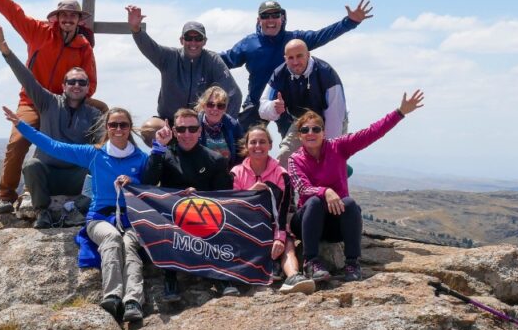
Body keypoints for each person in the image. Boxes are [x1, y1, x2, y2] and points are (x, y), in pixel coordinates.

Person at [2, 105, 149, 324]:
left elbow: (151, 186)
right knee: (111, 238)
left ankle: (133, 301)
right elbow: (54, 146)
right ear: (107, 128)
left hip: (131, 217)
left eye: (123, 125)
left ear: (130, 128)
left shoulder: (141, 158)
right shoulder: (94, 154)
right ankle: (112, 295)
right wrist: (21, 125)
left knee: (129, 245)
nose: (118, 129)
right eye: (113, 125)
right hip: (99, 217)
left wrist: (133, 182)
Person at [0, 0, 101, 215]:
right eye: (63, 15)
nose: (68, 19)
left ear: (79, 20)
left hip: (64, 104)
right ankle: (6, 195)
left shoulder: (83, 46)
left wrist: (74, 105)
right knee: (19, 140)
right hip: (33, 101)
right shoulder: (38, 31)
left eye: (73, 16)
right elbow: (10, 10)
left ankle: (95, 184)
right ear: (56, 17)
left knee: (104, 117)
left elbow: (91, 80)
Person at [289, 91, 425, 283]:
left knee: (350, 204)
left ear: (323, 132)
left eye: (316, 129)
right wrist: (325, 191)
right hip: (307, 223)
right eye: (305, 130)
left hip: (335, 225)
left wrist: (400, 113)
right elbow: (302, 188)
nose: (310, 133)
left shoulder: (339, 147)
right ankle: (311, 261)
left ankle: (352, 262)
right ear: (299, 135)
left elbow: (371, 133)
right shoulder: (296, 159)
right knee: (313, 202)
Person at [0, 26, 101, 228]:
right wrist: (6, 53)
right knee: (31, 166)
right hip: (47, 175)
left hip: (76, 177)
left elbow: (102, 147)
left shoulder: (95, 115)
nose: (76, 85)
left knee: (101, 164)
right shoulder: (48, 102)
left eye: (82, 82)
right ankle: (42, 211)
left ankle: (78, 209)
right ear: (64, 85)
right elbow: (27, 79)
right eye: (72, 81)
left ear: (88, 87)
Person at [221, 0, 373, 130]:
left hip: (291, 107)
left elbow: (322, 35)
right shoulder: (249, 44)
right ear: (258, 20)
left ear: (283, 18)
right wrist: (198, 52)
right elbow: (225, 60)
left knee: (296, 151)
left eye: (275, 15)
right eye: (265, 16)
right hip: (257, 102)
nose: (271, 20)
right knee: (241, 146)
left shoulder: (295, 40)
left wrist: (350, 22)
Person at [144, 108, 235, 301]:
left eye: (192, 129)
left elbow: (224, 197)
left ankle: (221, 277)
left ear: (200, 131)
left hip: (205, 214)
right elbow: (148, 183)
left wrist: (199, 197)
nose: (187, 134)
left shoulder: (215, 159)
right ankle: (170, 278)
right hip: (173, 216)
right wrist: (158, 147)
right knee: (163, 223)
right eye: (182, 129)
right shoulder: (164, 155)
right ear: (174, 131)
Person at [231, 125, 315, 295]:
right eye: (253, 142)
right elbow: (232, 209)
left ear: (270, 145)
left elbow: (283, 212)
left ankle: (293, 277)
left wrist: (279, 237)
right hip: (244, 229)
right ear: (246, 146)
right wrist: (251, 194)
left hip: (272, 227)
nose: (257, 146)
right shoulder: (236, 173)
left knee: (287, 244)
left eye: (262, 142)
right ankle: (268, 267)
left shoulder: (281, 174)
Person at [126, 6, 242, 121]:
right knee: (150, 128)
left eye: (198, 38)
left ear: (204, 41)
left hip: (198, 125)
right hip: (168, 121)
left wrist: (226, 124)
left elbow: (234, 94)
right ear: (181, 40)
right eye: (188, 37)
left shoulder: (213, 60)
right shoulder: (168, 57)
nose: (193, 42)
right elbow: (149, 47)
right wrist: (136, 28)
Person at [258, 39, 347, 163]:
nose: (295, 62)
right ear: (285, 58)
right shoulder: (279, 74)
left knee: (328, 160)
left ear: (308, 54)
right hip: (301, 121)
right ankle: (283, 182)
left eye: (299, 56)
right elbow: (263, 108)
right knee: (285, 157)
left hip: (331, 120)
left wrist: (328, 151)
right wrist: (273, 107)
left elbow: (335, 116)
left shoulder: (326, 74)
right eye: (290, 58)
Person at [195, 85, 242, 167]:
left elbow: (241, 155)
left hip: (227, 176)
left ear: (225, 108)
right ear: (203, 105)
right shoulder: (193, 125)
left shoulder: (234, 126)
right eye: (210, 104)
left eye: (220, 105)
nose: (215, 109)